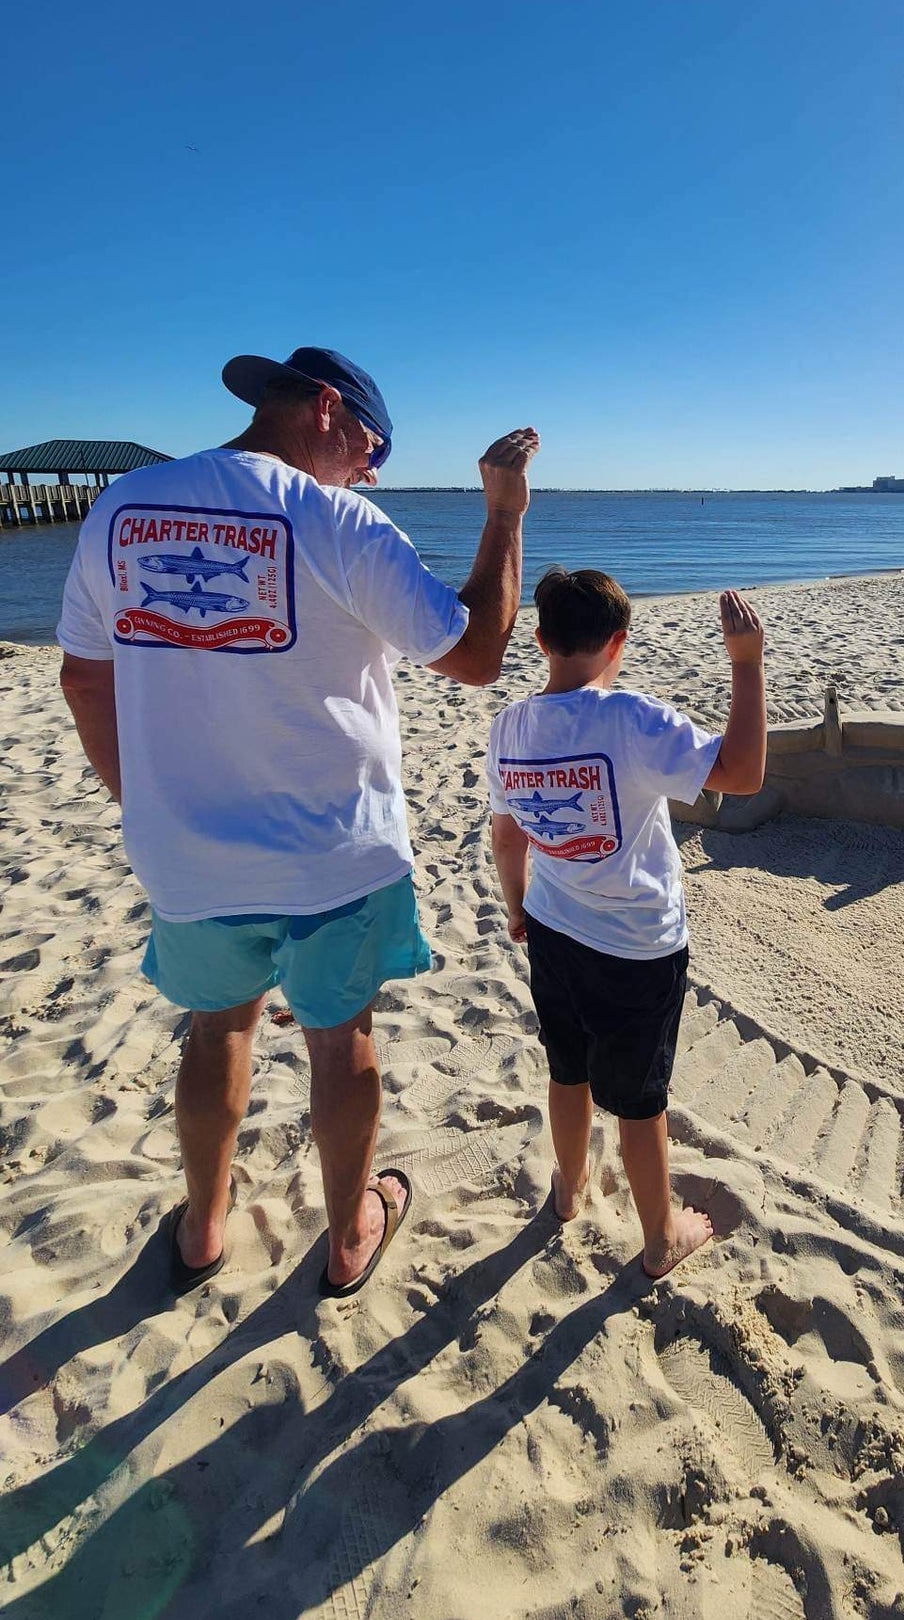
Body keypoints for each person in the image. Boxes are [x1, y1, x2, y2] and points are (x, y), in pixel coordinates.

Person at [57, 345, 539, 1300]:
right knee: (341, 1041)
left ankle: (202, 1229)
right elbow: (479, 649)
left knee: (215, 1032)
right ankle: (352, 1234)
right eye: (372, 446)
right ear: (327, 409)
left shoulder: (122, 507)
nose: (373, 469)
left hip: (191, 858)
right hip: (335, 856)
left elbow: (82, 674)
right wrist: (503, 513)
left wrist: (140, 797)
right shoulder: (337, 521)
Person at [487, 569, 765, 1277]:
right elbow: (742, 772)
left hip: (551, 925)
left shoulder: (509, 725)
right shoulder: (633, 719)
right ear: (619, 642)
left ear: (541, 639)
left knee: (567, 1065)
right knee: (640, 1104)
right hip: (637, 946)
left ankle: (569, 1186)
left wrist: (516, 904)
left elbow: (508, 834)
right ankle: (658, 1238)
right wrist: (746, 663)